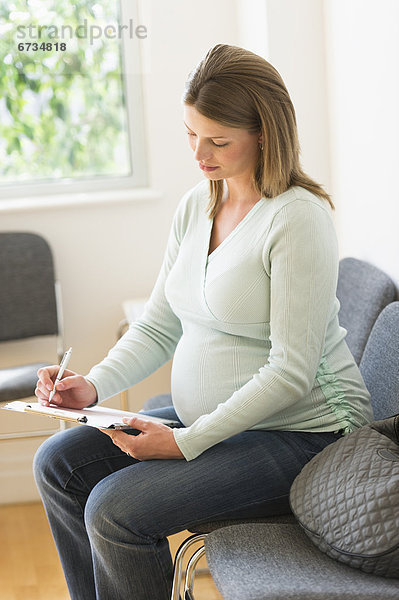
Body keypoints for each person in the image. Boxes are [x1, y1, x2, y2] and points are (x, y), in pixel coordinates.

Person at [33, 44, 373, 600]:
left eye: (218, 141)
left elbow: (290, 372)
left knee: (116, 510)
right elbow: (160, 322)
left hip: (308, 435)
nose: (199, 153)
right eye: (191, 134)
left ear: (264, 132)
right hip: (218, 420)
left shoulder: (297, 219)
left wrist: (186, 442)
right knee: (58, 465)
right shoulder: (199, 204)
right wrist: (92, 385)